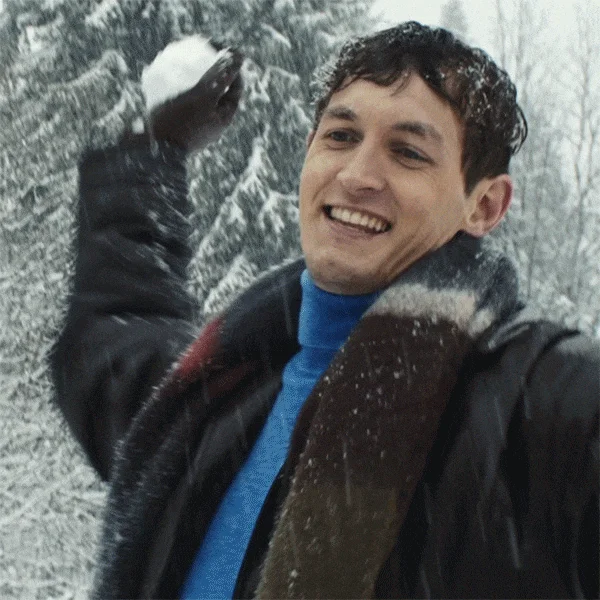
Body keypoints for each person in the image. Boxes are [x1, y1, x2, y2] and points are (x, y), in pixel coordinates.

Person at [50, 22, 599, 599]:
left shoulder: (542, 412)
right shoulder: (216, 400)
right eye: (340, 136)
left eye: (408, 152)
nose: (357, 175)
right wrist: (155, 151)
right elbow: (116, 334)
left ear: (484, 205)